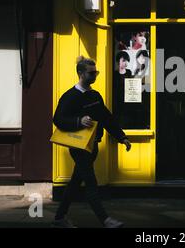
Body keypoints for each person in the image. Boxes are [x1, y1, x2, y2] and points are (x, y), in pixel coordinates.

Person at [52, 56, 132, 228]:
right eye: (91, 73)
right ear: (81, 73)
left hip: (93, 146)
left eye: (96, 72)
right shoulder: (70, 96)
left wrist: (121, 137)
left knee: (74, 183)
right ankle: (105, 220)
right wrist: (78, 121)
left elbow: (106, 118)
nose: (95, 75)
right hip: (79, 147)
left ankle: (59, 218)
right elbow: (58, 119)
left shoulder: (95, 95)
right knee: (91, 183)